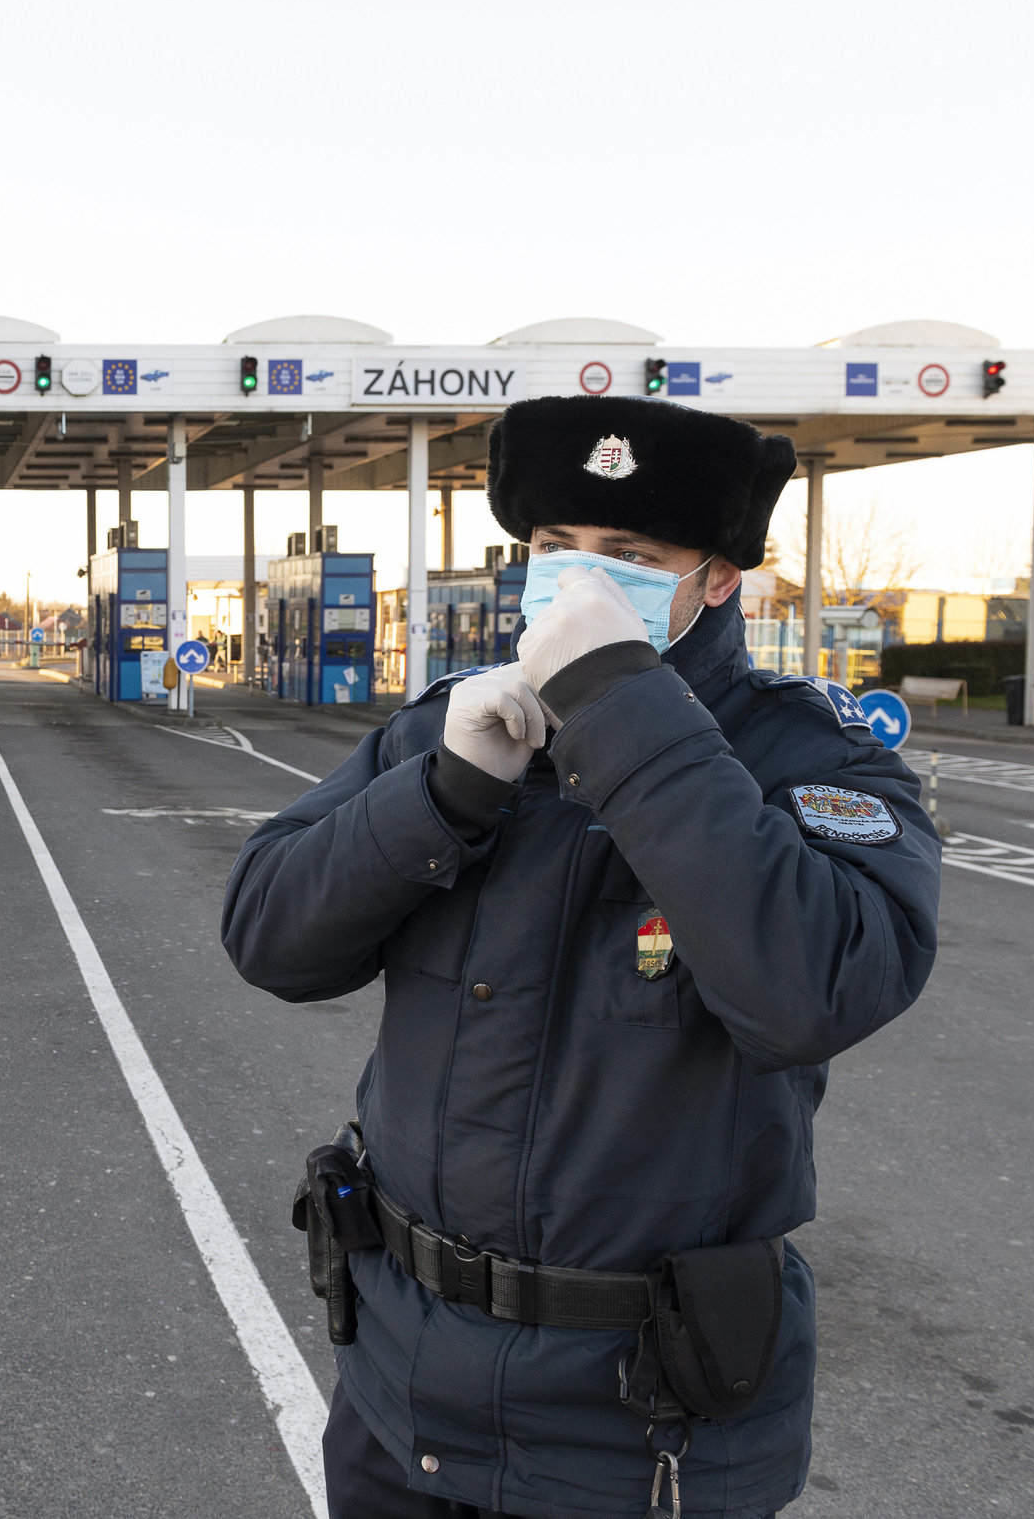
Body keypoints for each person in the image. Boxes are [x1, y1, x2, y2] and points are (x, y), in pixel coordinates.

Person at [222, 395, 941, 1519]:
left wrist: (618, 700)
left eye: (629, 555)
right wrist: (442, 792)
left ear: (715, 578)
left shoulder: (806, 756)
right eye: (554, 548)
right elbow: (268, 933)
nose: (578, 580)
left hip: (642, 1430)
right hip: (401, 1397)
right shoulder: (445, 727)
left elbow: (813, 988)